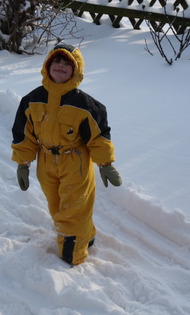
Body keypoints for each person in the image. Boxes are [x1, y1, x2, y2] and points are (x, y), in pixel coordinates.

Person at [11, 43, 122, 266]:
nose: (60, 67)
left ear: (76, 70)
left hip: (75, 163)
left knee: (73, 209)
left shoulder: (87, 106)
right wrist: (23, 163)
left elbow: (98, 137)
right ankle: (86, 234)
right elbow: (25, 134)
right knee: (57, 205)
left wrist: (105, 164)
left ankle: (73, 254)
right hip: (46, 162)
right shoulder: (31, 100)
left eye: (66, 64)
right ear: (47, 66)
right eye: (56, 62)